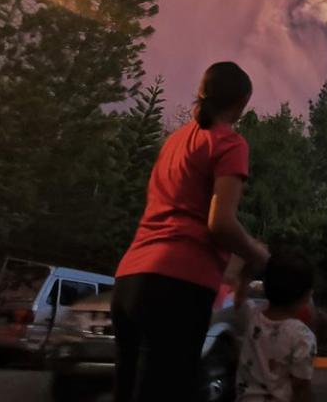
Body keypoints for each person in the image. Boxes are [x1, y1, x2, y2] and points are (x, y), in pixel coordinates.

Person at [112, 62, 270, 402]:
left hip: (129, 279)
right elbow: (220, 223)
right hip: (177, 287)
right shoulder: (230, 143)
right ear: (243, 102)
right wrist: (257, 253)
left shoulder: (174, 141)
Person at [235, 250, 317, 402]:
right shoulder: (302, 337)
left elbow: (239, 295)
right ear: (307, 295)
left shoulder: (250, 315)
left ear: (265, 287)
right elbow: (301, 389)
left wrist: (246, 274)